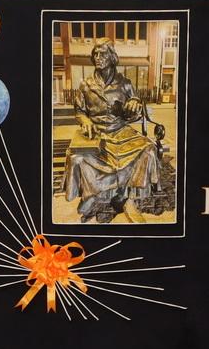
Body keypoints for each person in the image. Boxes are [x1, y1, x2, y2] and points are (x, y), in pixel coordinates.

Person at [63, 37, 162, 223]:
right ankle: (91, 195)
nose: (98, 57)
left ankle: (128, 196)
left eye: (103, 54)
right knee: (78, 157)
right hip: (97, 133)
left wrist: (134, 105)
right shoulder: (86, 84)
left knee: (148, 149)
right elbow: (80, 112)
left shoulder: (125, 83)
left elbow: (133, 109)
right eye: (95, 54)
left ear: (112, 57)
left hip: (120, 131)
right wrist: (85, 121)